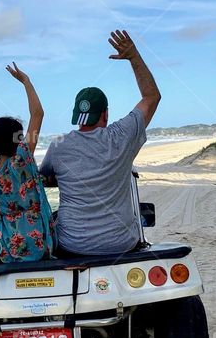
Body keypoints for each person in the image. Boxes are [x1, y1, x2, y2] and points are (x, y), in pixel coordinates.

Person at [39, 29, 161, 256]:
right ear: (105, 114)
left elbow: (43, 176)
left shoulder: (59, 146)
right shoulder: (122, 136)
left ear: (76, 115)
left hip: (73, 245)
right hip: (121, 243)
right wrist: (133, 56)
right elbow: (151, 97)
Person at [0, 63, 56, 262]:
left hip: (7, 247)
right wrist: (26, 82)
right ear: (17, 140)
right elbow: (38, 114)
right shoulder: (21, 161)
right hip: (37, 244)